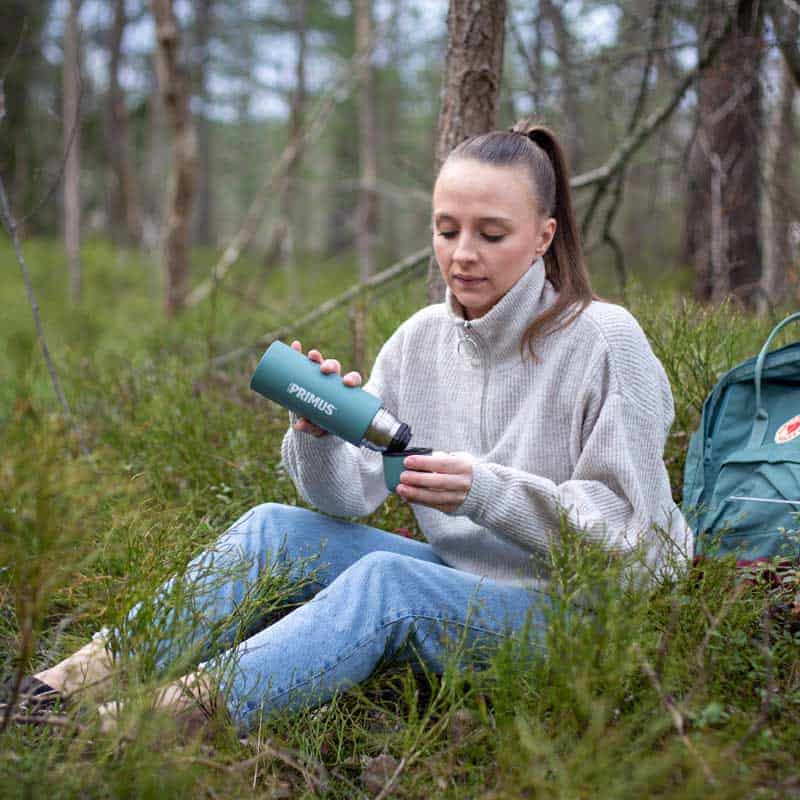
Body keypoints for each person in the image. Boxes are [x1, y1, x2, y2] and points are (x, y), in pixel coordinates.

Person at [16, 120, 691, 734]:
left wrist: (485, 492)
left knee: (388, 585)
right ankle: (55, 691)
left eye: (491, 233)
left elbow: (631, 532)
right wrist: (318, 436)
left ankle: (149, 727)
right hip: (462, 580)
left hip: (581, 613)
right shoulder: (423, 338)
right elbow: (343, 500)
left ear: (543, 236)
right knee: (271, 529)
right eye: (446, 228)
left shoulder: (605, 339)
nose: (461, 254)